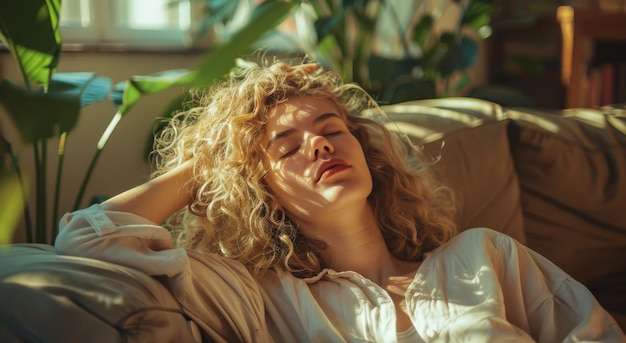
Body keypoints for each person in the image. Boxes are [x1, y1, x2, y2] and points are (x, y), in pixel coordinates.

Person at [55, 62, 625, 342]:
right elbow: (89, 240)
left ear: (367, 151)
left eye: (331, 128)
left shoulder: (485, 255)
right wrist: (217, 161)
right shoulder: (259, 296)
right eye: (288, 146)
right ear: (259, 187)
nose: (320, 142)